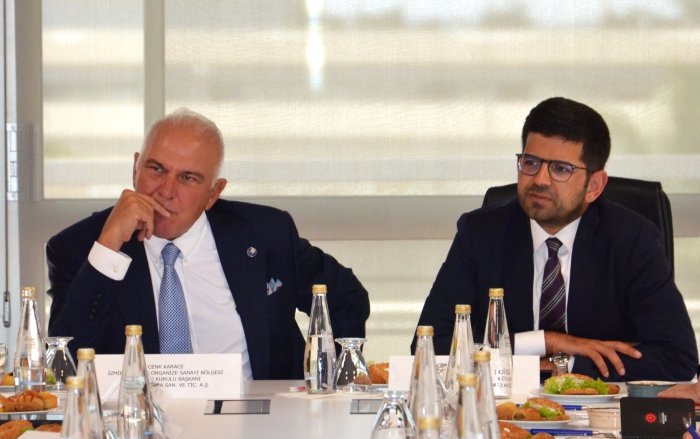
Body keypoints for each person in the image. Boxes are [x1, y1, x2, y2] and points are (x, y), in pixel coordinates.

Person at [47, 109, 370, 381]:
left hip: (256, 419)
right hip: (137, 418)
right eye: (156, 169)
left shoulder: (263, 232)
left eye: (188, 178)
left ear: (213, 193)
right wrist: (108, 248)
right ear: (135, 168)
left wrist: (330, 379)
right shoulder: (79, 247)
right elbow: (65, 363)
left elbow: (345, 297)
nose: (166, 191)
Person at [412, 97, 697, 381]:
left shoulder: (631, 239)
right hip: (503, 403)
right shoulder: (480, 233)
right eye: (531, 162)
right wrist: (547, 341)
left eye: (561, 168)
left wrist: (564, 365)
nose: (540, 180)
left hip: (601, 405)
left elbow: (677, 358)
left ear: (594, 185)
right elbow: (428, 347)